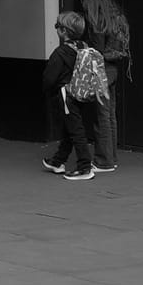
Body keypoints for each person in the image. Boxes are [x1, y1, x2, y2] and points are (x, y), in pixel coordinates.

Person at [41, 12, 102, 182]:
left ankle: (85, 167)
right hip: (81, 94)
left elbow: (49, 79)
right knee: (71, 127)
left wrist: (48, 92)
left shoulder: (60, 53)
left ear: (63, 31)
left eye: (57, 26)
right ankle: (58, 161)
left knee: (76, 131)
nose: (56, 29)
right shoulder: (83, 46)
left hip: (65, 95)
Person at [77, 0, 130, 172]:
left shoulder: (97, 20)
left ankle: (104, 161)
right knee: (110, 116)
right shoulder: (117, 17)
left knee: (101, 117)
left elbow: (96, 50)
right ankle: (111, 158)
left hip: (101, 70)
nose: (82, 2)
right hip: (113, 69)